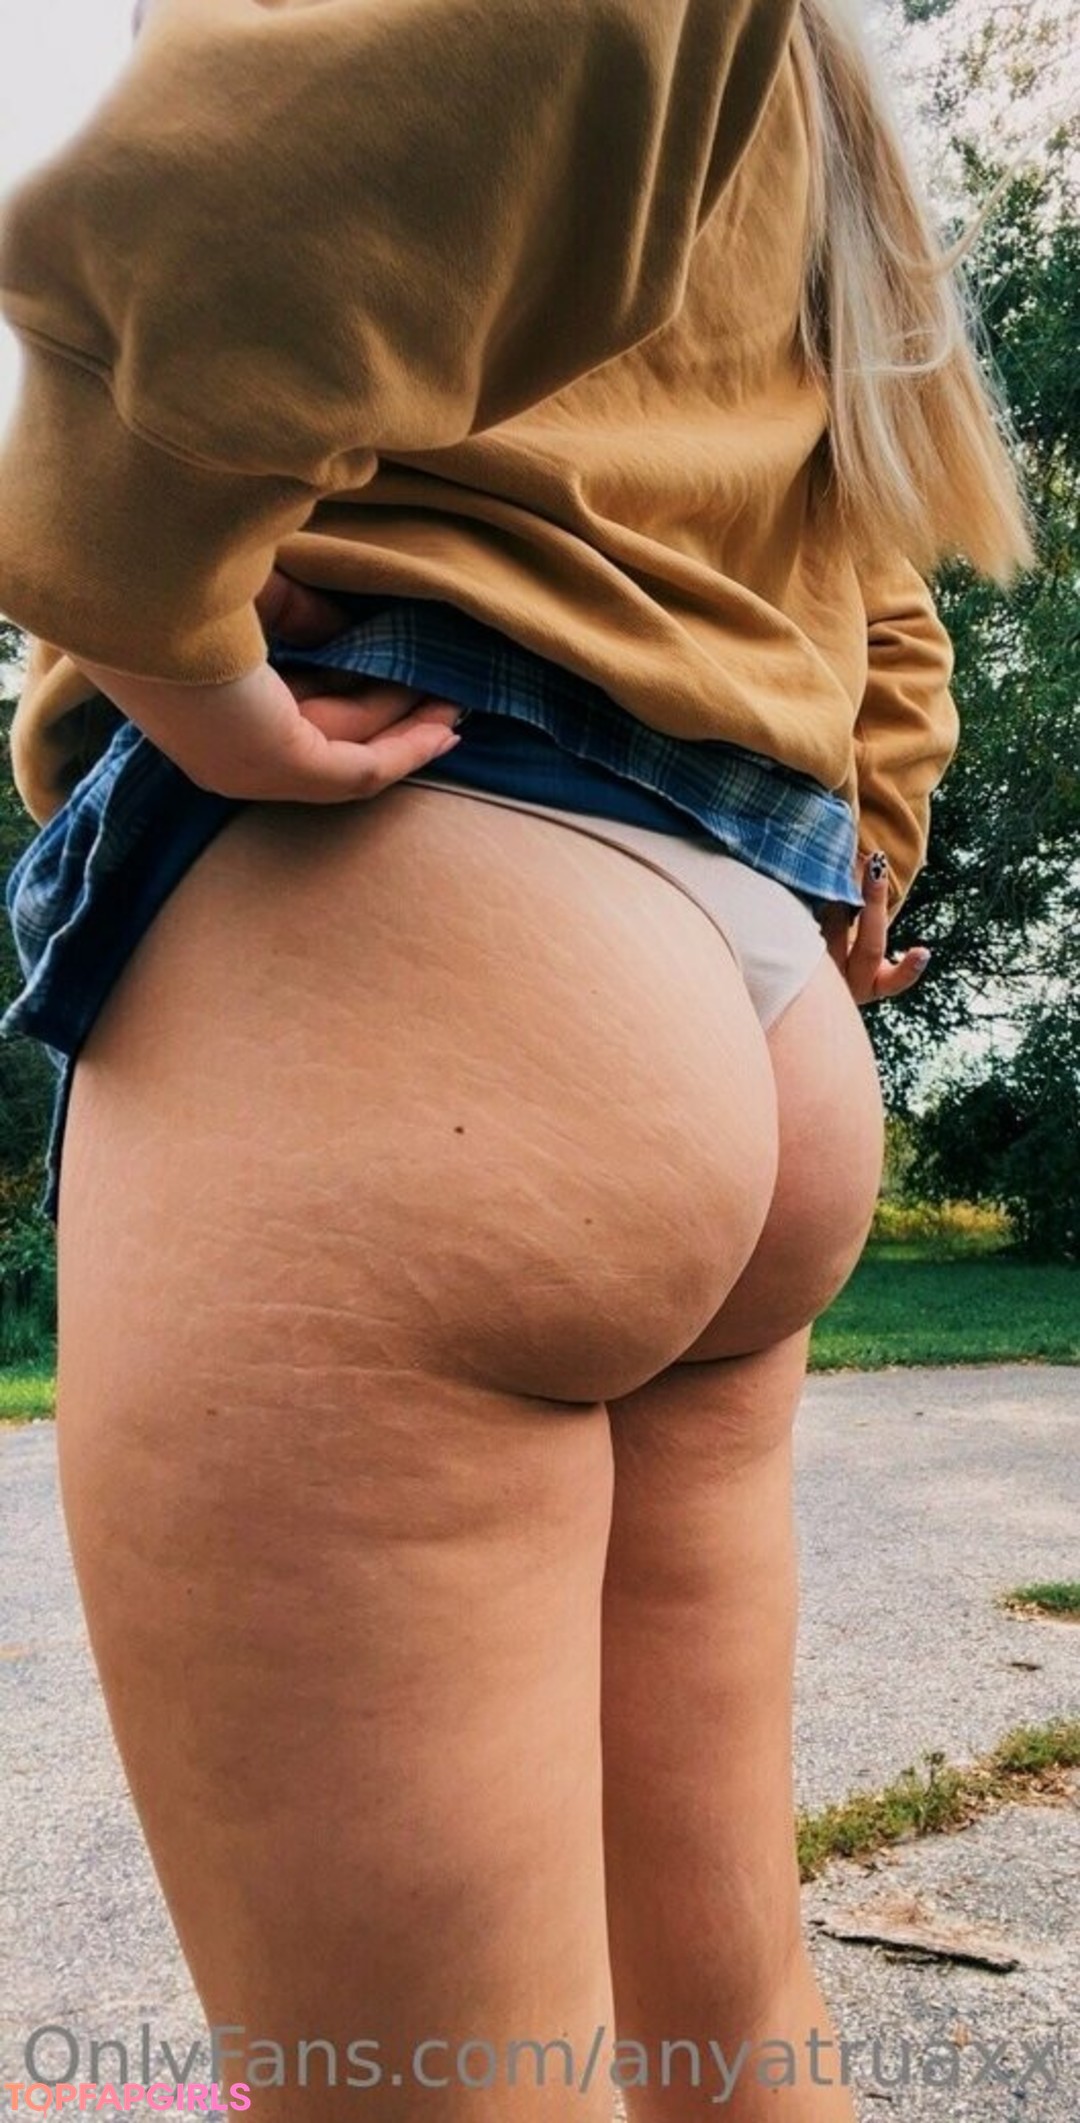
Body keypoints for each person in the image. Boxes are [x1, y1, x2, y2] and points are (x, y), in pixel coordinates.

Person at [0, 1, 1033, 2117]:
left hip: (418, 919)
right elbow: (888, 583)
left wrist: (164, 631)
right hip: (742, 987)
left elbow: (266, 161)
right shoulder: (803, 96)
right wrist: (853, 861)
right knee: (732, 2034)